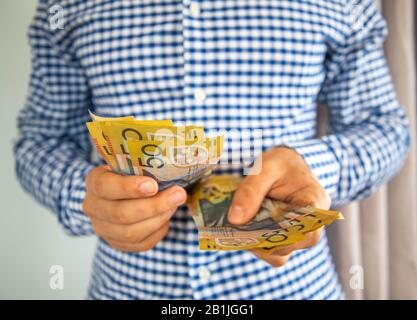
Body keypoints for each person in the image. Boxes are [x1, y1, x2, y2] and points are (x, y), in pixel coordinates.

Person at [15, 0, 410, 299]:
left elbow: (386, 129)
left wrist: (313, 167)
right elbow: (40, 139)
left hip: (293, 286)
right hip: (125, 286)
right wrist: (85, 196)